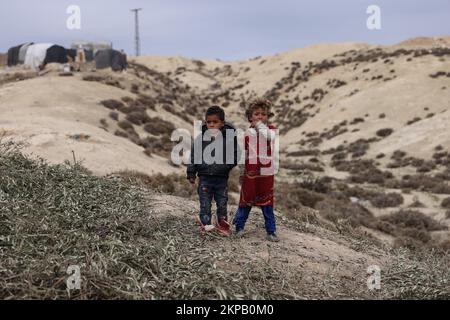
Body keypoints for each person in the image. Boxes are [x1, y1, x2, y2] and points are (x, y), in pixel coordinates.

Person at [233, 98, 280, 242]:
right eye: (257, 114)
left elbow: (269, 136)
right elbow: (243, 154)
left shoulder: (271, 130)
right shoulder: (246, 133)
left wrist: (259, 125)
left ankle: (271, 231)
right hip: (250, 174)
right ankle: (239, 227)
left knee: (267, 203)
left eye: (264, 114)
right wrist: (241, 172)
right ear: (250, 117)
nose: (260, 117)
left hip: (266, 174)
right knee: (246, 201)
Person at [187, 106, 238, 235]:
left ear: (222, 123)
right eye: (208, 122)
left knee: (222, 203)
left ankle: (222, 225)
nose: (211, 125)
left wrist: (227, 165)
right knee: (205, 204)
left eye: (215, 122)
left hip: (221, 178)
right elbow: (194, 156)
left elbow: (236, 154)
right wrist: (191, 172)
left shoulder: (229, 139)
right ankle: (206, 224)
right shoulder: (201, 139)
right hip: (205, 178)